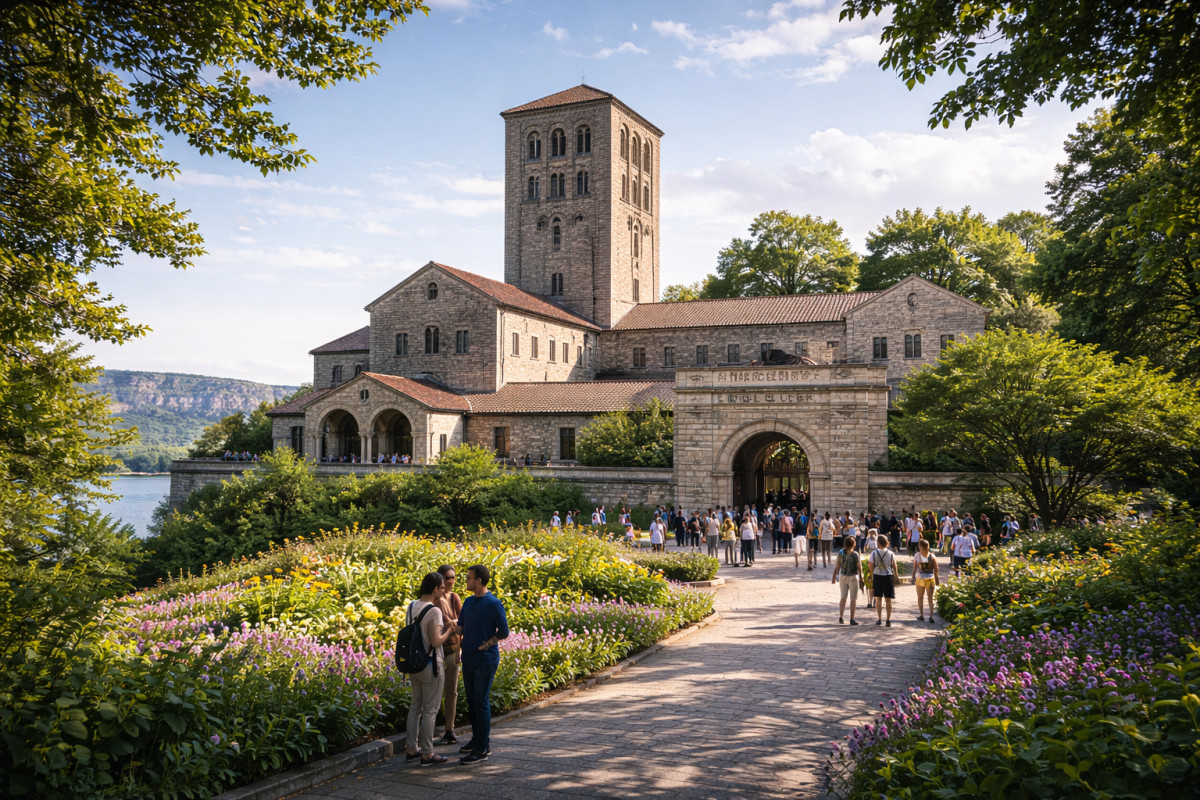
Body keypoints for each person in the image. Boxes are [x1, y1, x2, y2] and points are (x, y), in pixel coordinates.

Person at [456, 564, 509, 765]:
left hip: (485, 661)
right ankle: (476, 739)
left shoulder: (493, 603)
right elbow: (460, 628)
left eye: (469, 578)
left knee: (481, 701)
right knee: (472, 702)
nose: (467, 581)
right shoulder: (468, 602)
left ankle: (482, 747)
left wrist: (488, 643)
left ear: (479, 580)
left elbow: (504, 631)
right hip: (468, 659)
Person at [404, 572, 454, 766]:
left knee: (415, 707)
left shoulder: (411, 606)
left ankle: (411, 749)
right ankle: (427, 753)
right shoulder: (434, 611)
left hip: (413, 664)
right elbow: (435, 641)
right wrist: (450, 630)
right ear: (435, 589)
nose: (444, 591)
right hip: (431, 665)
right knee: (431, 710)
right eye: (442, 588)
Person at [434, 564, 463, 745]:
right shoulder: (434, 599)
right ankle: (430, 727)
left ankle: (449, 729)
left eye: (453, 577)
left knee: (451, 691)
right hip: (436, 650)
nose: (451, 580)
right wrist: (452, 623)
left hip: (452, 649)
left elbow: (462, 624)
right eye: (447, 577)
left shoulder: (454, 598)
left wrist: (452, 622)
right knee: (435, 691)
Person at [832, 535, 864, 625]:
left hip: (843, 576)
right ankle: (852, 618)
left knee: (843, 597)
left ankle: (841, 617)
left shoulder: (841, 553)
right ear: (854, 544)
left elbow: (837, 566)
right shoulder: (855, 554)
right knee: (853, 599)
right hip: (853, 577)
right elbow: (859, 568)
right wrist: (861, 578)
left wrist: (834, 577)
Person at [869, 534, 898, 626]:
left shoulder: (874, 553)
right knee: (888, 599)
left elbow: (870, 564)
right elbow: (894, 565)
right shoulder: (891, 553)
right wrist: (896, 575)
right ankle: (888, 620)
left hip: (877, 575)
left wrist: (872, 571)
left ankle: (879, 618)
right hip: (888, 576)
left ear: (878, 543)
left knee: (878, 598)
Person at [911, 539, 939, 622]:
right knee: (930, 598)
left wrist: (913, 577)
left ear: (920, 546)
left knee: (920, 597)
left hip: (920, 578)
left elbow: (915, 567)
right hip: (930, 579)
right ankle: (931, 616)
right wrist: (937, 580)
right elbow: (936, 569)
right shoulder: (932, 556)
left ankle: (922, 615)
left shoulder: (917, 555)